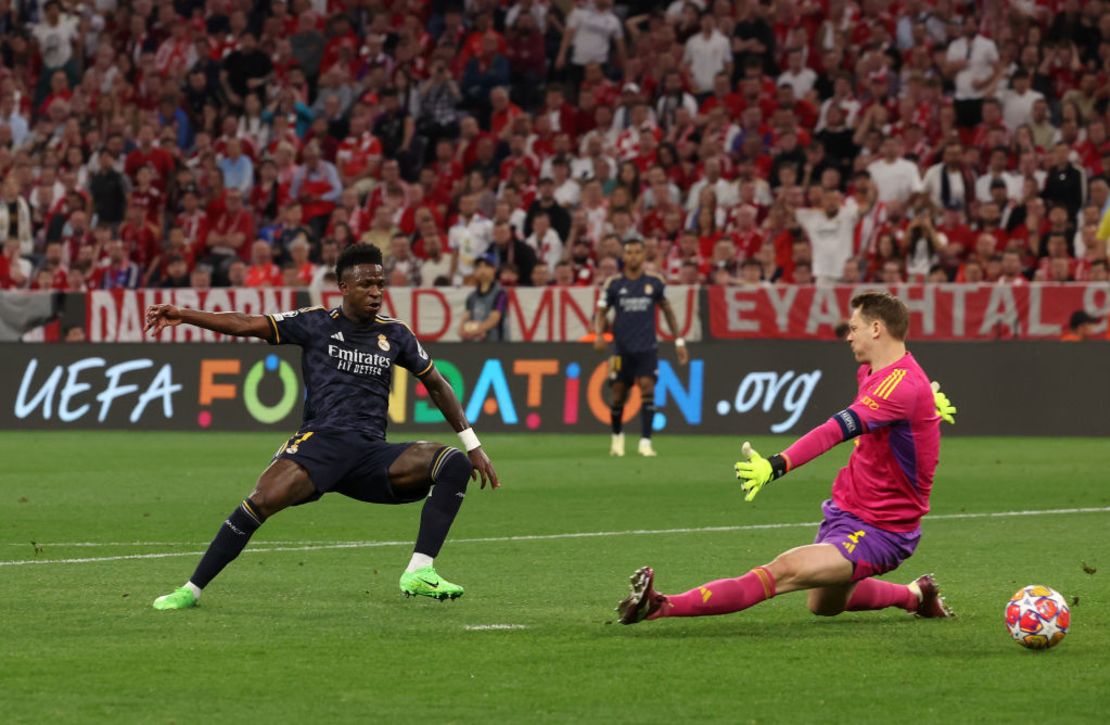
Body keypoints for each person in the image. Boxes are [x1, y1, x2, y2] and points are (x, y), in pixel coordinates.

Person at [145, 244, 499, 610]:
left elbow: (438, 384)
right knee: (261, 501)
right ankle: (191, 589)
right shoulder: (315, 322)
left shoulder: (395, 334)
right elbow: (246, 323)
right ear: (343, 287)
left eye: (380, 283)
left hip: (371, 454)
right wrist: (185, 315)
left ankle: (419, 570)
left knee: (453, 462)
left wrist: (473, 444)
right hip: (321, 445)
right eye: (366, 284)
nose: (376, 292)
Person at [616, 291, 957, 625]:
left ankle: (662, 605)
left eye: (854, 328)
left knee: (781, 572)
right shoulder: (873, 373)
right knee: (822, 604)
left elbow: (834, 430)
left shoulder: (901, 386)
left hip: (884, 527)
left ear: (877, 328)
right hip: (848, 509)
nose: (848, 336)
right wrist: (926, 411)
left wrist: (776, 464)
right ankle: (917, 596)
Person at [593, 238, 690, 458]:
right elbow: (601, 312)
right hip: (621, 349)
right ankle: (617, 438)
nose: (633, 256)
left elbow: (667, 310)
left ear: (644, 255)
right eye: (629, 252)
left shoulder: (655, 282)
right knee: (617, 395)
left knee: (648, 389)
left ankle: (645, 442)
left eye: (638, 252)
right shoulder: (613, 284)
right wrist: (599, 335)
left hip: (647, 348)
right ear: (623, 256)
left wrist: (679, 341)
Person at [458, 254, 508, 341]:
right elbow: (466, 317)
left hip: (496, 344)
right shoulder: (472, 296)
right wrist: (462, 329)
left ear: (494, 269)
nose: (482, 270)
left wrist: (476, 331)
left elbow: (494, 319)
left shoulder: (500, 294)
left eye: (486, 266)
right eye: (479, 267)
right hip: (475, 345)